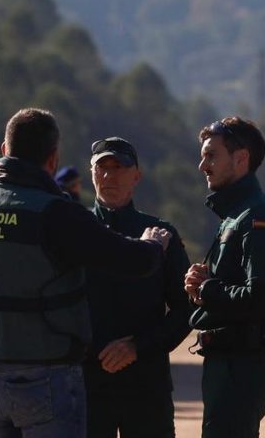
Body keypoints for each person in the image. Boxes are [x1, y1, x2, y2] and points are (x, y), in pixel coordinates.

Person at [0, 108, 171, 438]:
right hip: (46, 372)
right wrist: (153, 244)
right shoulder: (56, 212)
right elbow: (133, 261)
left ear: (4, 150)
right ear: (53, 159)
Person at [184, 117, 265, 438]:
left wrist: (207, 289)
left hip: (242, 362)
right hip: (227, 359)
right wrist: (204, 283)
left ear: (240, 158)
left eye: (211, 155)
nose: (202, 164)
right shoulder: (235, 214)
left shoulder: (258, 216)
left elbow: (262, 295)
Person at [84, 137, 192, 438]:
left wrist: (138, 347)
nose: (109, 176)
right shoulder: (75, 230)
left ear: (137, 175)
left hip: (146, 384)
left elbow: (186, 309)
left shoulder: (162, 235)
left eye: (119, 168)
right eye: (101, 168)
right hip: (88, 383)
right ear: (90, 173)